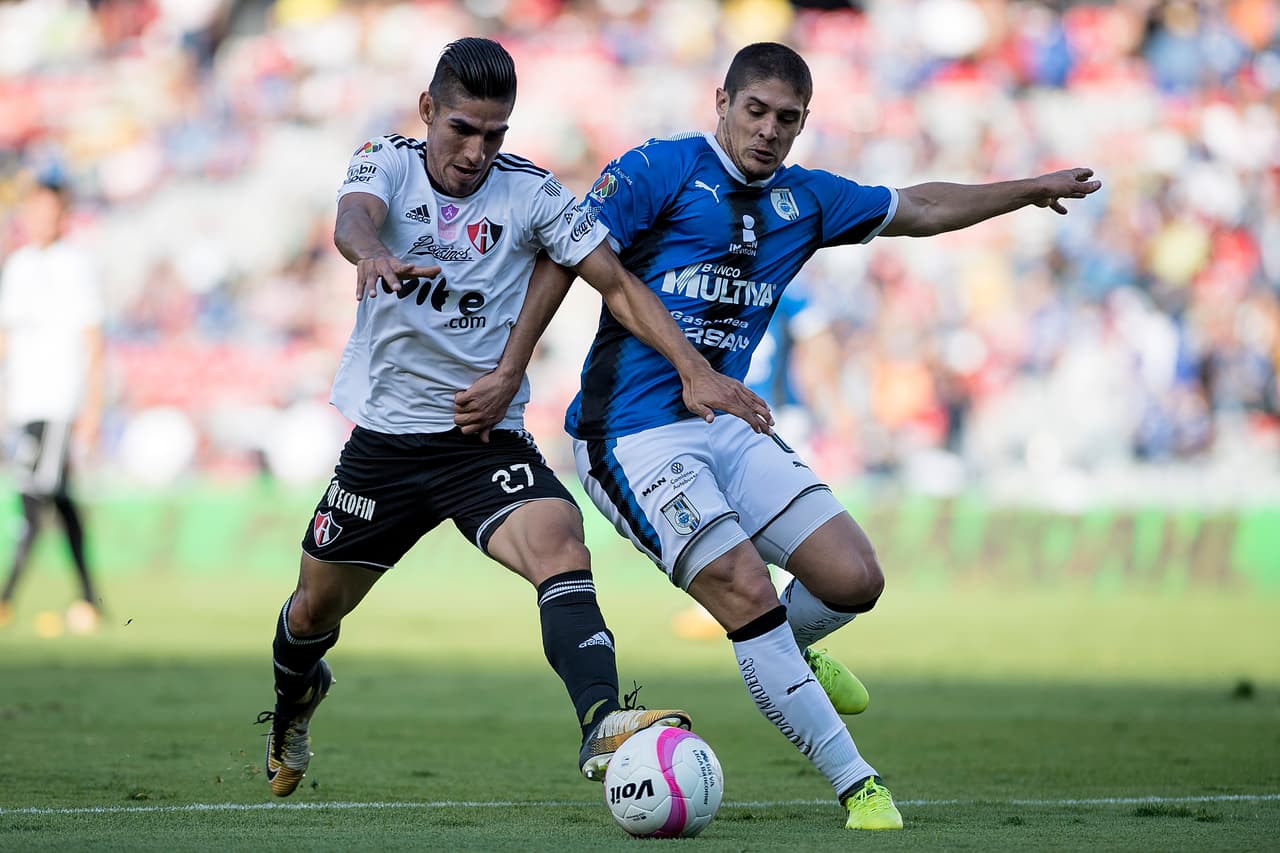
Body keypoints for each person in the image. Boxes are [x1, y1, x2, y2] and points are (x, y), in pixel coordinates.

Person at [548, 42, 1099, 831]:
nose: (769, 131)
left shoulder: (805, 199)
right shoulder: (656, 170)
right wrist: (528, 368)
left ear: (804, 125)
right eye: (756, 111)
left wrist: (1029, 189)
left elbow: (923, 208)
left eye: (788, 119)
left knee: (854, 579)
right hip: (631, 435)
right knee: (744, 591)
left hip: (728, 423)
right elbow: (579, 259)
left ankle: (788, 648)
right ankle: (858, 783)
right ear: (721, 101)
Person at [257, 37, 774, 799]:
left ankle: (601, 718)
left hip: (480, 440)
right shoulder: (386, 162)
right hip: (387, 446)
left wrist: (694, 370)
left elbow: (618, 285)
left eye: (495, 134)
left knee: (562, 540)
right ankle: (292, 707)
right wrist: (370, 253)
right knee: (311, 612)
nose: (476, 150)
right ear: (428, 111)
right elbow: (353, 221)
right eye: (462, 128)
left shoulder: (531, 194)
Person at [0, 175, 105, 634]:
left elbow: (93, 341)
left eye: (51, 211)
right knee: (58, 498)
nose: (43, 219)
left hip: (61, 400)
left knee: (34, 497)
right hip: (26, 403)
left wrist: (92, 408)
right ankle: (89, 599)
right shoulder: (18, 266)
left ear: (64, 216)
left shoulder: (75, 266)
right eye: (35, 211)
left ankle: (5, 598)